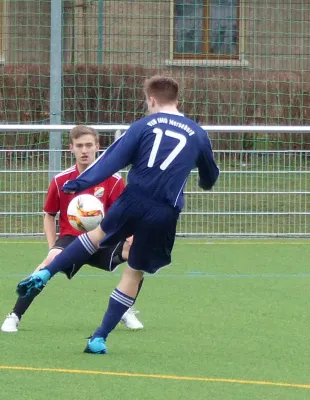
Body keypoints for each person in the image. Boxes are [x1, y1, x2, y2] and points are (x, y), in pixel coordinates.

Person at [16, 75, 219, 354]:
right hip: (164, 211)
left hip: (132, 199)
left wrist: (80, 183)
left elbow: (112, 160)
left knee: (96, 235)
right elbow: (210, 176)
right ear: (177, 100)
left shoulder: (142, 126)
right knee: (133, 272)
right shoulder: (198, 133)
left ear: (151, 100)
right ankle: (99, 337)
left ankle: (46, 272)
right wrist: (204, 182)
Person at [2, 125, 143, 333]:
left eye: (88, 145)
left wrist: (131, 236)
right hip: (70, 240)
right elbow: (49, 215)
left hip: (102, 239)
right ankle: (15, 315)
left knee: (140, 254)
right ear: (71, 149)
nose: (84, 150)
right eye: (79, 146)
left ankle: (124, 308)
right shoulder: (61, 180)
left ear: (97, 146)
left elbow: (124, 213)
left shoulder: (113, 180)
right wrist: (52, 246)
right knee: (49, 261)